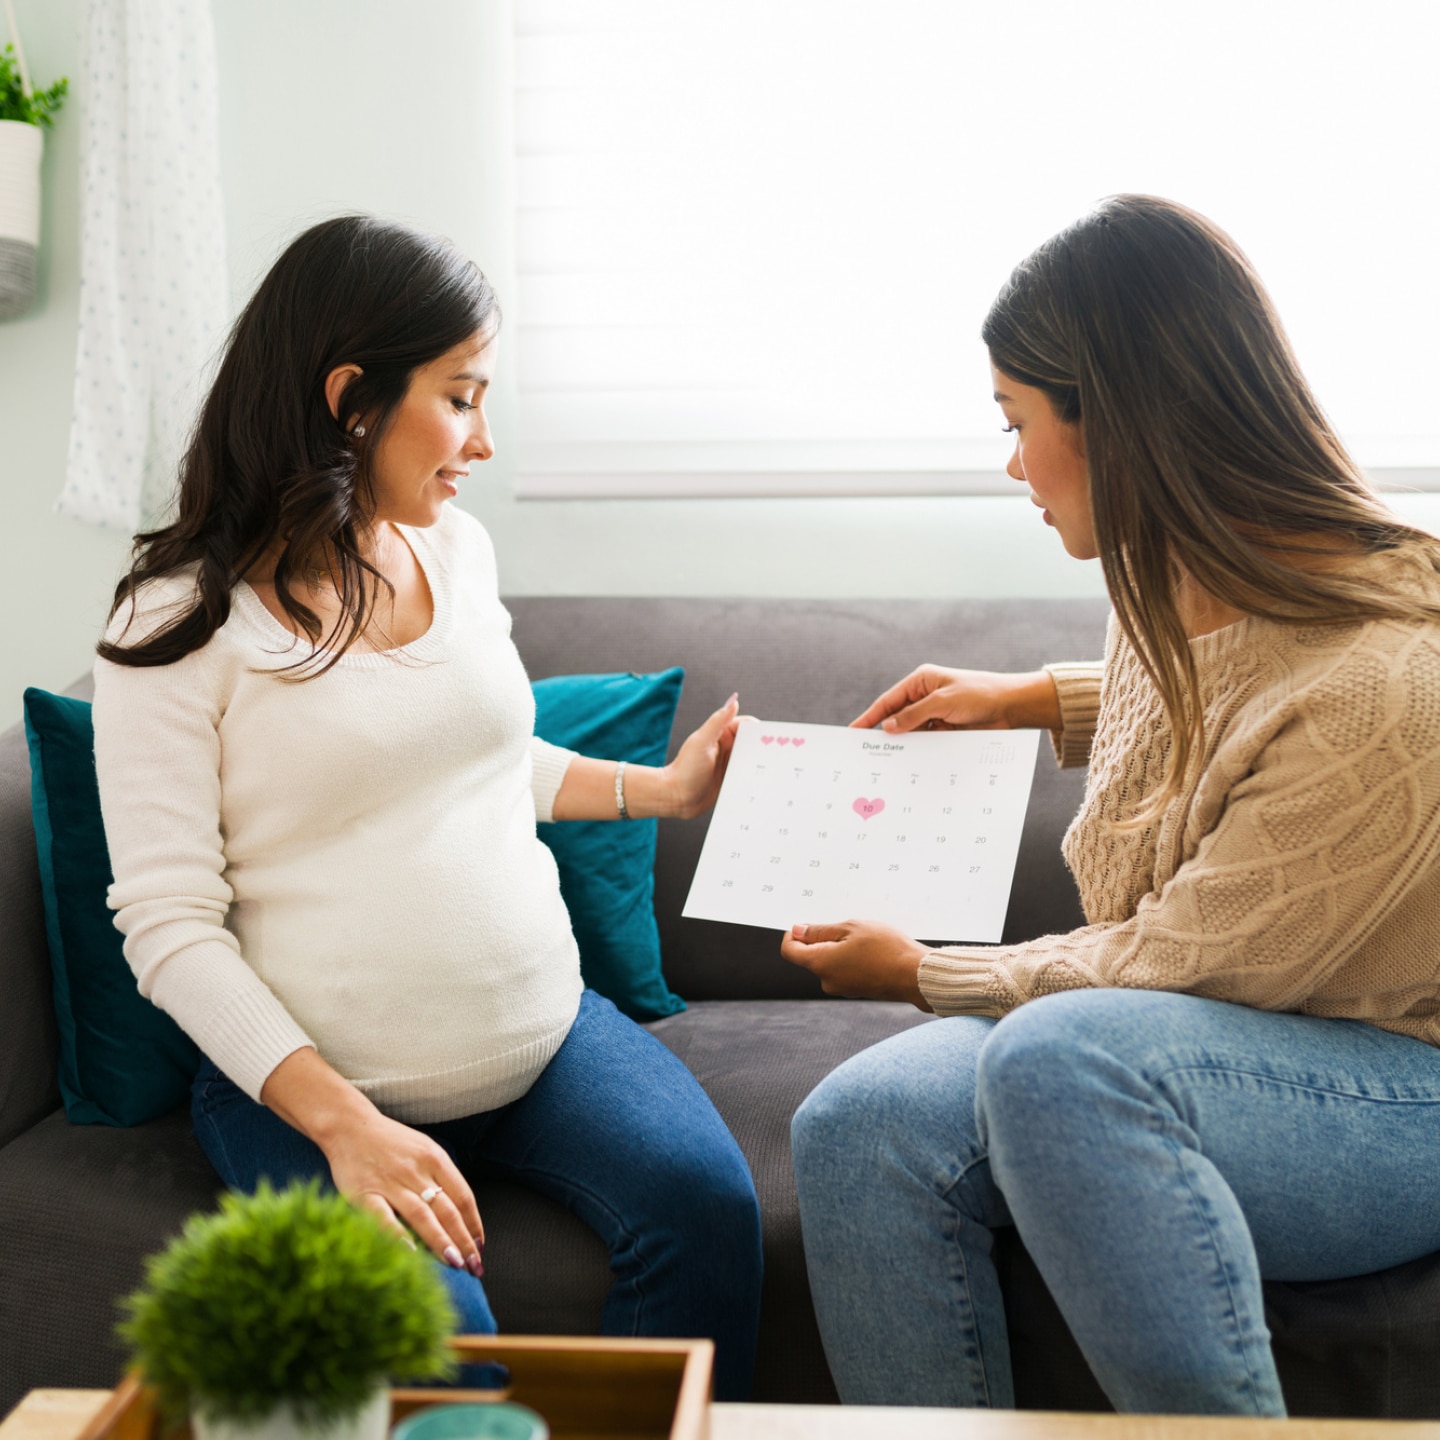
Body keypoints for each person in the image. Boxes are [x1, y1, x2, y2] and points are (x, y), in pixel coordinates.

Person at [782, 194, 1440, 1415]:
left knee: (1059, 1056)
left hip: (1405, 1081)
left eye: (1018, 421)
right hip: (1229, 1025)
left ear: (1121, 424)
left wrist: (927, 971)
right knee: (854, 1124)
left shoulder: (1394, 692)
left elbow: (1179, 962)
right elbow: (1239, 705)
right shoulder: (1178, 565)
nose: (1013, 463)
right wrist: (1038, 699)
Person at [91, 215, 763, 1400]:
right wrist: (345, 1126)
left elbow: (483, 757)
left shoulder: (453, 551)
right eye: (460, 398)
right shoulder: (174, 623)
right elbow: (168, 927)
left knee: (710, 1208)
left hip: (546, 1037)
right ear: (352, 398)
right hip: (318, 1090)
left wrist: (658, 791)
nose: (483, 441)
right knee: (441, 1358)